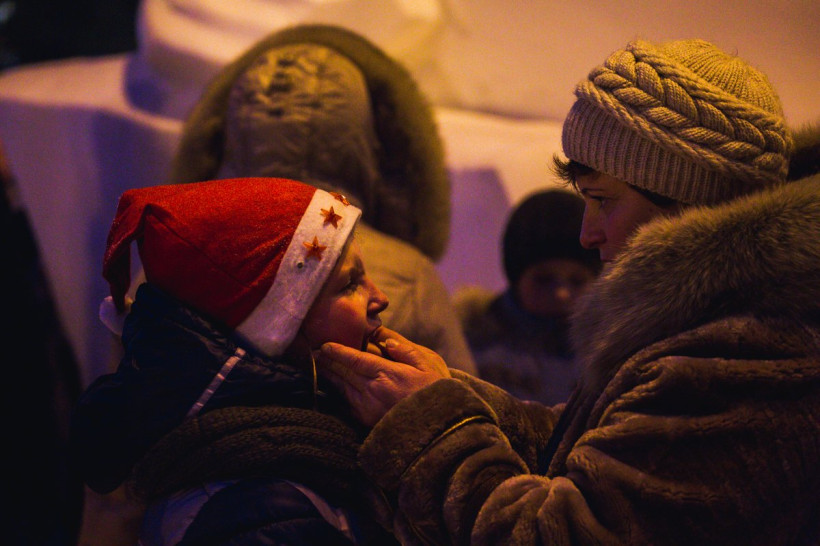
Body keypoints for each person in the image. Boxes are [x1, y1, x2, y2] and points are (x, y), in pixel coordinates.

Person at [317, 38, 820, 544]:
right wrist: (448, 394)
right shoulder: (706, 322)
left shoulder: (748, 361)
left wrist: (431, 429)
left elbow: (561, 534)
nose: (587, 234)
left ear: (687, 202)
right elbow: (592, 448)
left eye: (603, 200)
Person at [70, 177, 399, 544]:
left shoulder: (295, 454)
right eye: (350, 284)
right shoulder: (260, 516)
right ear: (277, 329)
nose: (380, 298)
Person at [169, 23, 477, 376]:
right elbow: (458, 399)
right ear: (369, 137)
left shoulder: (173, 260)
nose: (378, 298)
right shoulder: (412, 275)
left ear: (228, 136)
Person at [455, 189, 599, 404]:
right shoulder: (472, 344)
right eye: (544, 279)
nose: (561, 294)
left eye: (577, 281)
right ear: (516, 278)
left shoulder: (610, 347)